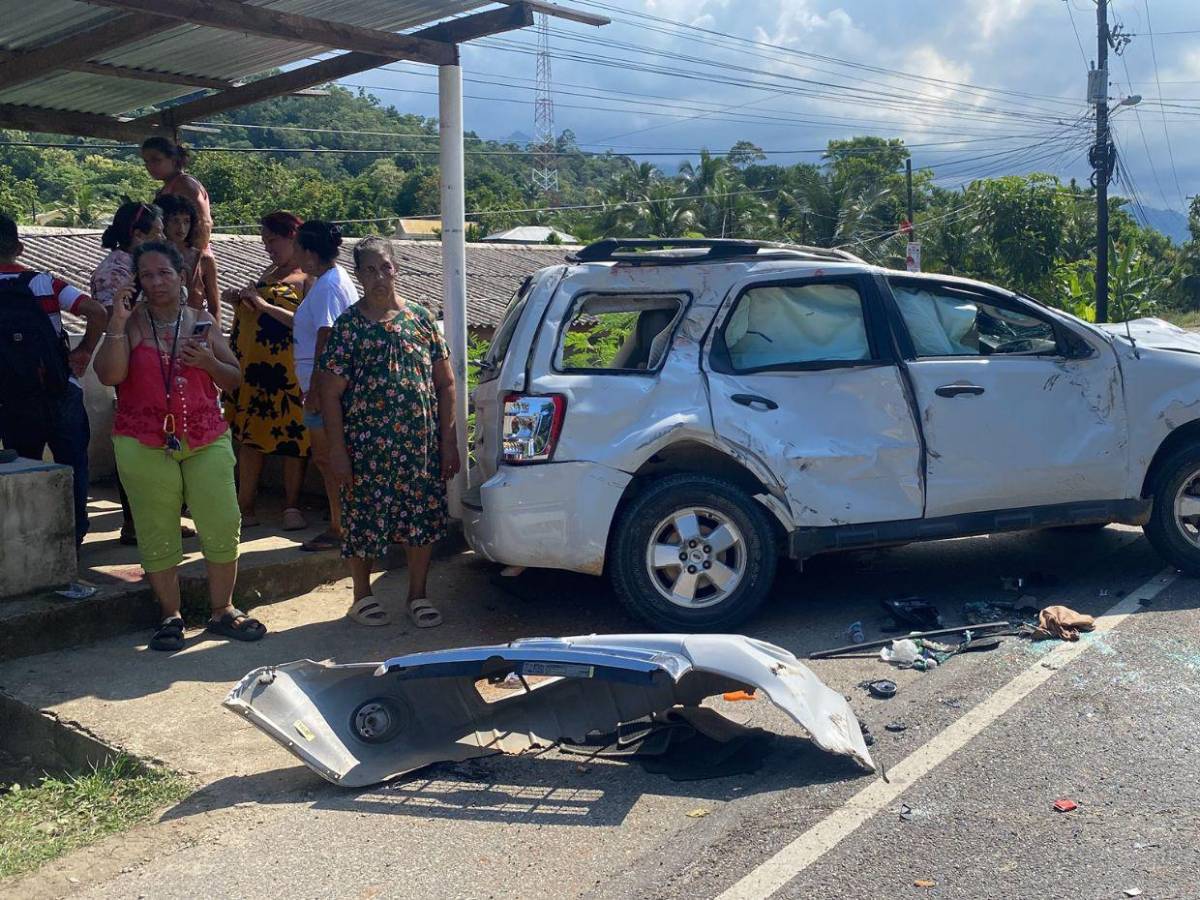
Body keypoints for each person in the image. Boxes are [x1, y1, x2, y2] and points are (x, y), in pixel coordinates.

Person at [93, 241, 264, 652]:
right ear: (138, 282)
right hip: (142, 439)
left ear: (180, 276)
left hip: (204, 435)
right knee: (156, 527)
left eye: (164, 273)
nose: (156, 283)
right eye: (147, 275)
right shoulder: (132, 324)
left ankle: (223, 609)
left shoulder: (202, 321)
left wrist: (207, 363)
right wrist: (116, 321)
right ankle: (171, 615)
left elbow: (234, 378)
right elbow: (109, 375)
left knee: (221, 520)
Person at [317, 237, 460, 627]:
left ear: (396, 269)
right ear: (359, 274)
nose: (379, 276)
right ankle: (362, 595)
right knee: (362, 517)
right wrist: (338, 450)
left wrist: (449, 443)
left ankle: (418, 595)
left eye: (385, 267)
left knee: (422, 517)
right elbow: (328, 395)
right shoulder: (348, 327)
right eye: (369, 269)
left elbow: (445, 384)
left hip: (419, 445)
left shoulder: (421, 320)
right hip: (366, 447)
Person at [0, 213, 107, 547]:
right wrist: (85, 350)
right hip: (60, 391)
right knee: (72, 467)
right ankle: (73, 539)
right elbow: (97, 312)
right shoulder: (43, 283)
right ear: (17, 247)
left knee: (24, 472)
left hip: (13, 398)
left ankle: (29, 542)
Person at [91, 202, 178, 546]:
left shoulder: (128, 265)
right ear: (138, 234)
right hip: (132, 361)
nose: (162, 238)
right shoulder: (119, 271)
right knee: (139, 444)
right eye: (156, 232)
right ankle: (135, 523)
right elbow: (123, 322)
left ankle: (152, 520)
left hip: (149, 359)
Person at [222, 211, 311, 531]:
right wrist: (240, 303)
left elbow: (304, 322)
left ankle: (292, 505)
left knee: (292, 440)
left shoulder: (306, 277)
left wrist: (260, 304)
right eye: (265, 242)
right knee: (250, 438)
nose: (268, 247)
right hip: (254, 370)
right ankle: (245, 505)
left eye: (273, 240)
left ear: (292, 237)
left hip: (288, 371)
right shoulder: (270, 271)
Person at [293, 221, 356, 553]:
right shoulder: (329, 281)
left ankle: (340, 525)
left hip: (327, 389)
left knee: (328, 458)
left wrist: (316, 389)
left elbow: (326, 336)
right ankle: (342, 522)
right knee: (328, 458)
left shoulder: (329, 286)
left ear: (309, 251)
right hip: (327, 386)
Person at [141, 137, 212, 250]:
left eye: (156, 160)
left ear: (173, 160)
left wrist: (188, 257)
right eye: (146, 161)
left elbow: (203, 225)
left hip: (188, 258)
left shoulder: (185, 185)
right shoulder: (170, 186)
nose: (150, 166)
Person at [157, 193, 218, 319]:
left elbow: (214, 307)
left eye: (186, 221)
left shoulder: (203, 260)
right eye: (175, 221)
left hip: (192, 332)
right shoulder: (149, 258)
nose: (181, 227)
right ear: (162, 222)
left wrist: (214, 335)